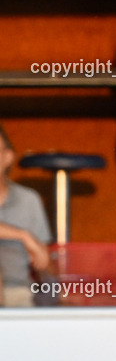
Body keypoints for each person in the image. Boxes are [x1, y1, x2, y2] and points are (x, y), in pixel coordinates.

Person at [0, 125, 51, 307]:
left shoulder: (28, 200)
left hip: (18, 293)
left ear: (8, 157)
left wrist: (43, 263)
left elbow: (44, 260)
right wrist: (23, 235)